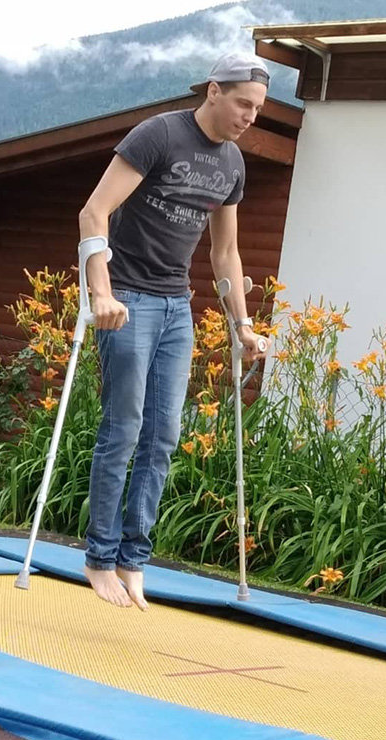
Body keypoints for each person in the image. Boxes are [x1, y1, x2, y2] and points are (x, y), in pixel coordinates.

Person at [75, 52, 270, 609]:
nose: (250, 117)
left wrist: (244, 326)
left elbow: (225, 252)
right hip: (128, 299)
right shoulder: (158, 135)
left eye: (257, 109)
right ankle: (98, 558)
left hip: (176, 306)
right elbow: (94, 214)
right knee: (125, 427)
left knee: (163, 435)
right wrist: (101, 293)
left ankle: (134, 560)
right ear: (214, 90)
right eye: (243, 104)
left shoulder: (232, 163)